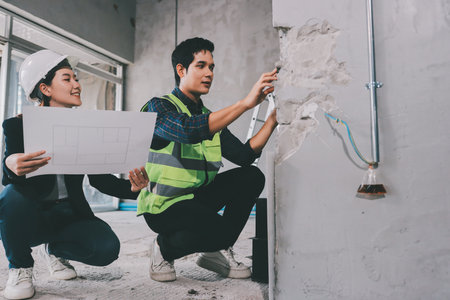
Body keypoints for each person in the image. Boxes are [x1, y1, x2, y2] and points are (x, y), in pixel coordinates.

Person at [0, 50, 149, 300]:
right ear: (45, 89)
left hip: (69, 215)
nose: (77, 85)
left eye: (76, 79)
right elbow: (10, 175)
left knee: (106, 249)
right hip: (31, 215)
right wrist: (9, 163)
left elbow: (101, 180)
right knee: (11, 195)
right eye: (67, 79)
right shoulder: (17, 126)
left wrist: (132, 189)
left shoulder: (85, 130)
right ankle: (21, 268)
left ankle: (55, 251)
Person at [138, 37, 278, 282]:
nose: (209, 73)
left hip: (196, 199)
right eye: (201, 65)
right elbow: (188, 130)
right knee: (218, 232)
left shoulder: (208, 116)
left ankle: (214, 249)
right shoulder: (158, 107)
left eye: (211, 67)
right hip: (164, 206)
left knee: (251, 176)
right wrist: (246, 104)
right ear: (181, 70)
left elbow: (244, 156)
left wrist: (272, 121)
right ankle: (163, 248)